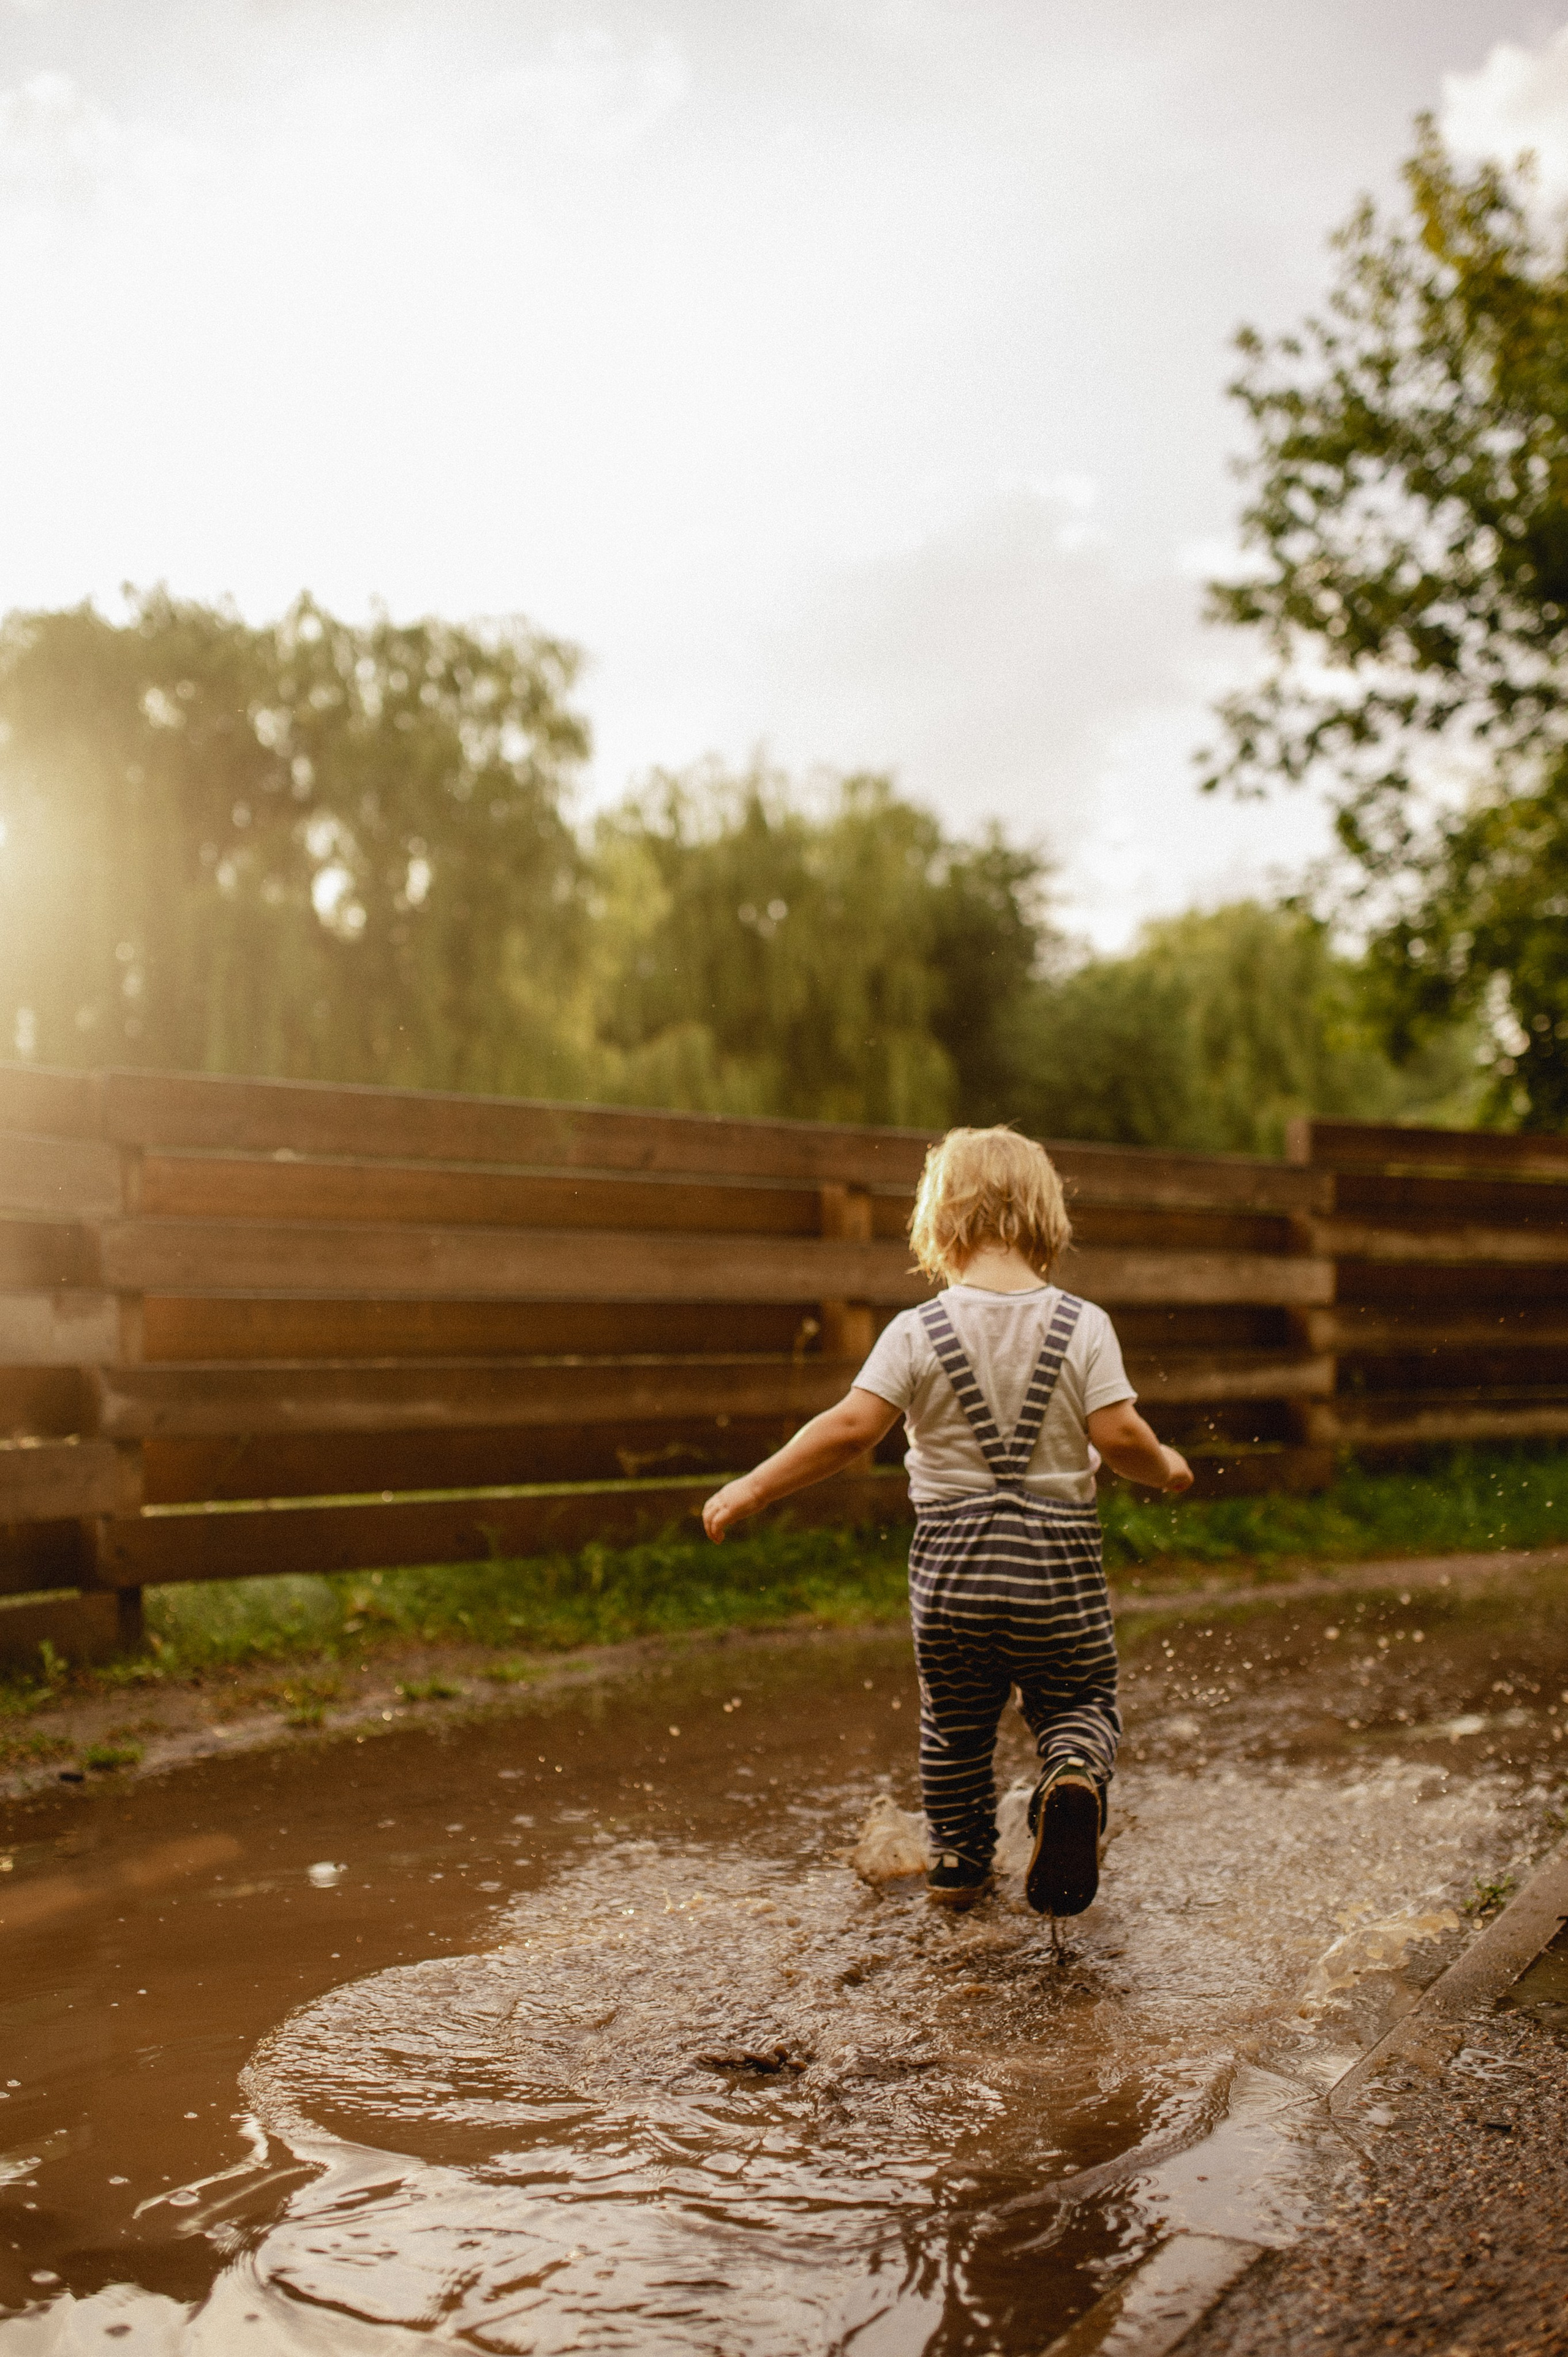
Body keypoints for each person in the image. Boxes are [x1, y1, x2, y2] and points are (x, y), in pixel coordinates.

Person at [703, 1125, 1193, 1917]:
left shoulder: (915, 1330)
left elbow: (850, 1429)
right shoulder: (1083, 1323)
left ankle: (960, 1871)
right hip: (1057, 1572)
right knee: (1079, 1702)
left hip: (952, 1576)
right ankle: (1067, 1778)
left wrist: (754, 1488)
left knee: (956, 1730)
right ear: (1044, 1216)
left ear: (940, 1220)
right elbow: (1120, 1438)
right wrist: (1167, 1464)